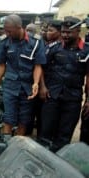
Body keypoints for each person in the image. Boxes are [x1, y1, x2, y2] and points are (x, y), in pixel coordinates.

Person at [0, 14, 46, 136]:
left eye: (9, 31)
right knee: (8, 119)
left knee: (23, 121)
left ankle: (18, 146)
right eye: (5, 30)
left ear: (20, 27)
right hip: (10, 86)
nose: (7, 33)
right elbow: (1, 65)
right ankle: (6, 146)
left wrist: (36, 83)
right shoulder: (5, 42)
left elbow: (38, 65)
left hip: (28, 88)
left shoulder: (36, 42)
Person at [40, 16, 89, 151]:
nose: (65, 35)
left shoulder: (87, 51)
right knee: (46, 132)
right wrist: (43, 87)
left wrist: (88, 100)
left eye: (69, 32)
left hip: (73, 99)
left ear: (78, 31)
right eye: (63, 32)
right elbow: (41, 68)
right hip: (52, 96)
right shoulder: (53, 48)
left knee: (64, 134)